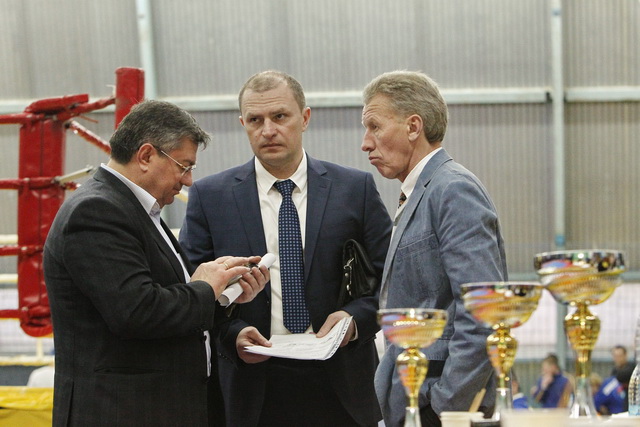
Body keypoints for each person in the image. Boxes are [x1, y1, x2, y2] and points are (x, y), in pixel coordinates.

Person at [179, 70, 393, 427]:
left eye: (280, 116)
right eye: (255, 120)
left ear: (304, 118)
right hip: (251, 389)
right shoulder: (210, 197)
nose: (268, 130)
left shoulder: (354, 190)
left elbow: (391, 279)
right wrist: (231, 335)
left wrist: (354, 320)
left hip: (342, 384)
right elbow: (191, 290)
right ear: (243, 124)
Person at [43, 100, 270, 427]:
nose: (188, 180)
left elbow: (162, 299)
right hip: (123, 412)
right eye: (184, 166)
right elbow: (137, 312)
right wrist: (204, 288)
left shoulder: (135, 209)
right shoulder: (96, 212)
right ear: (147, 155)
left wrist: (223, 295)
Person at [360, 70, 505, 427]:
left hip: (442, 406)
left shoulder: (452, 190)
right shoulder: (422, 192)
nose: (365, 143)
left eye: (375, 127)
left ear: (413, 127)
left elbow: (484, 313)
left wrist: (444, 406)